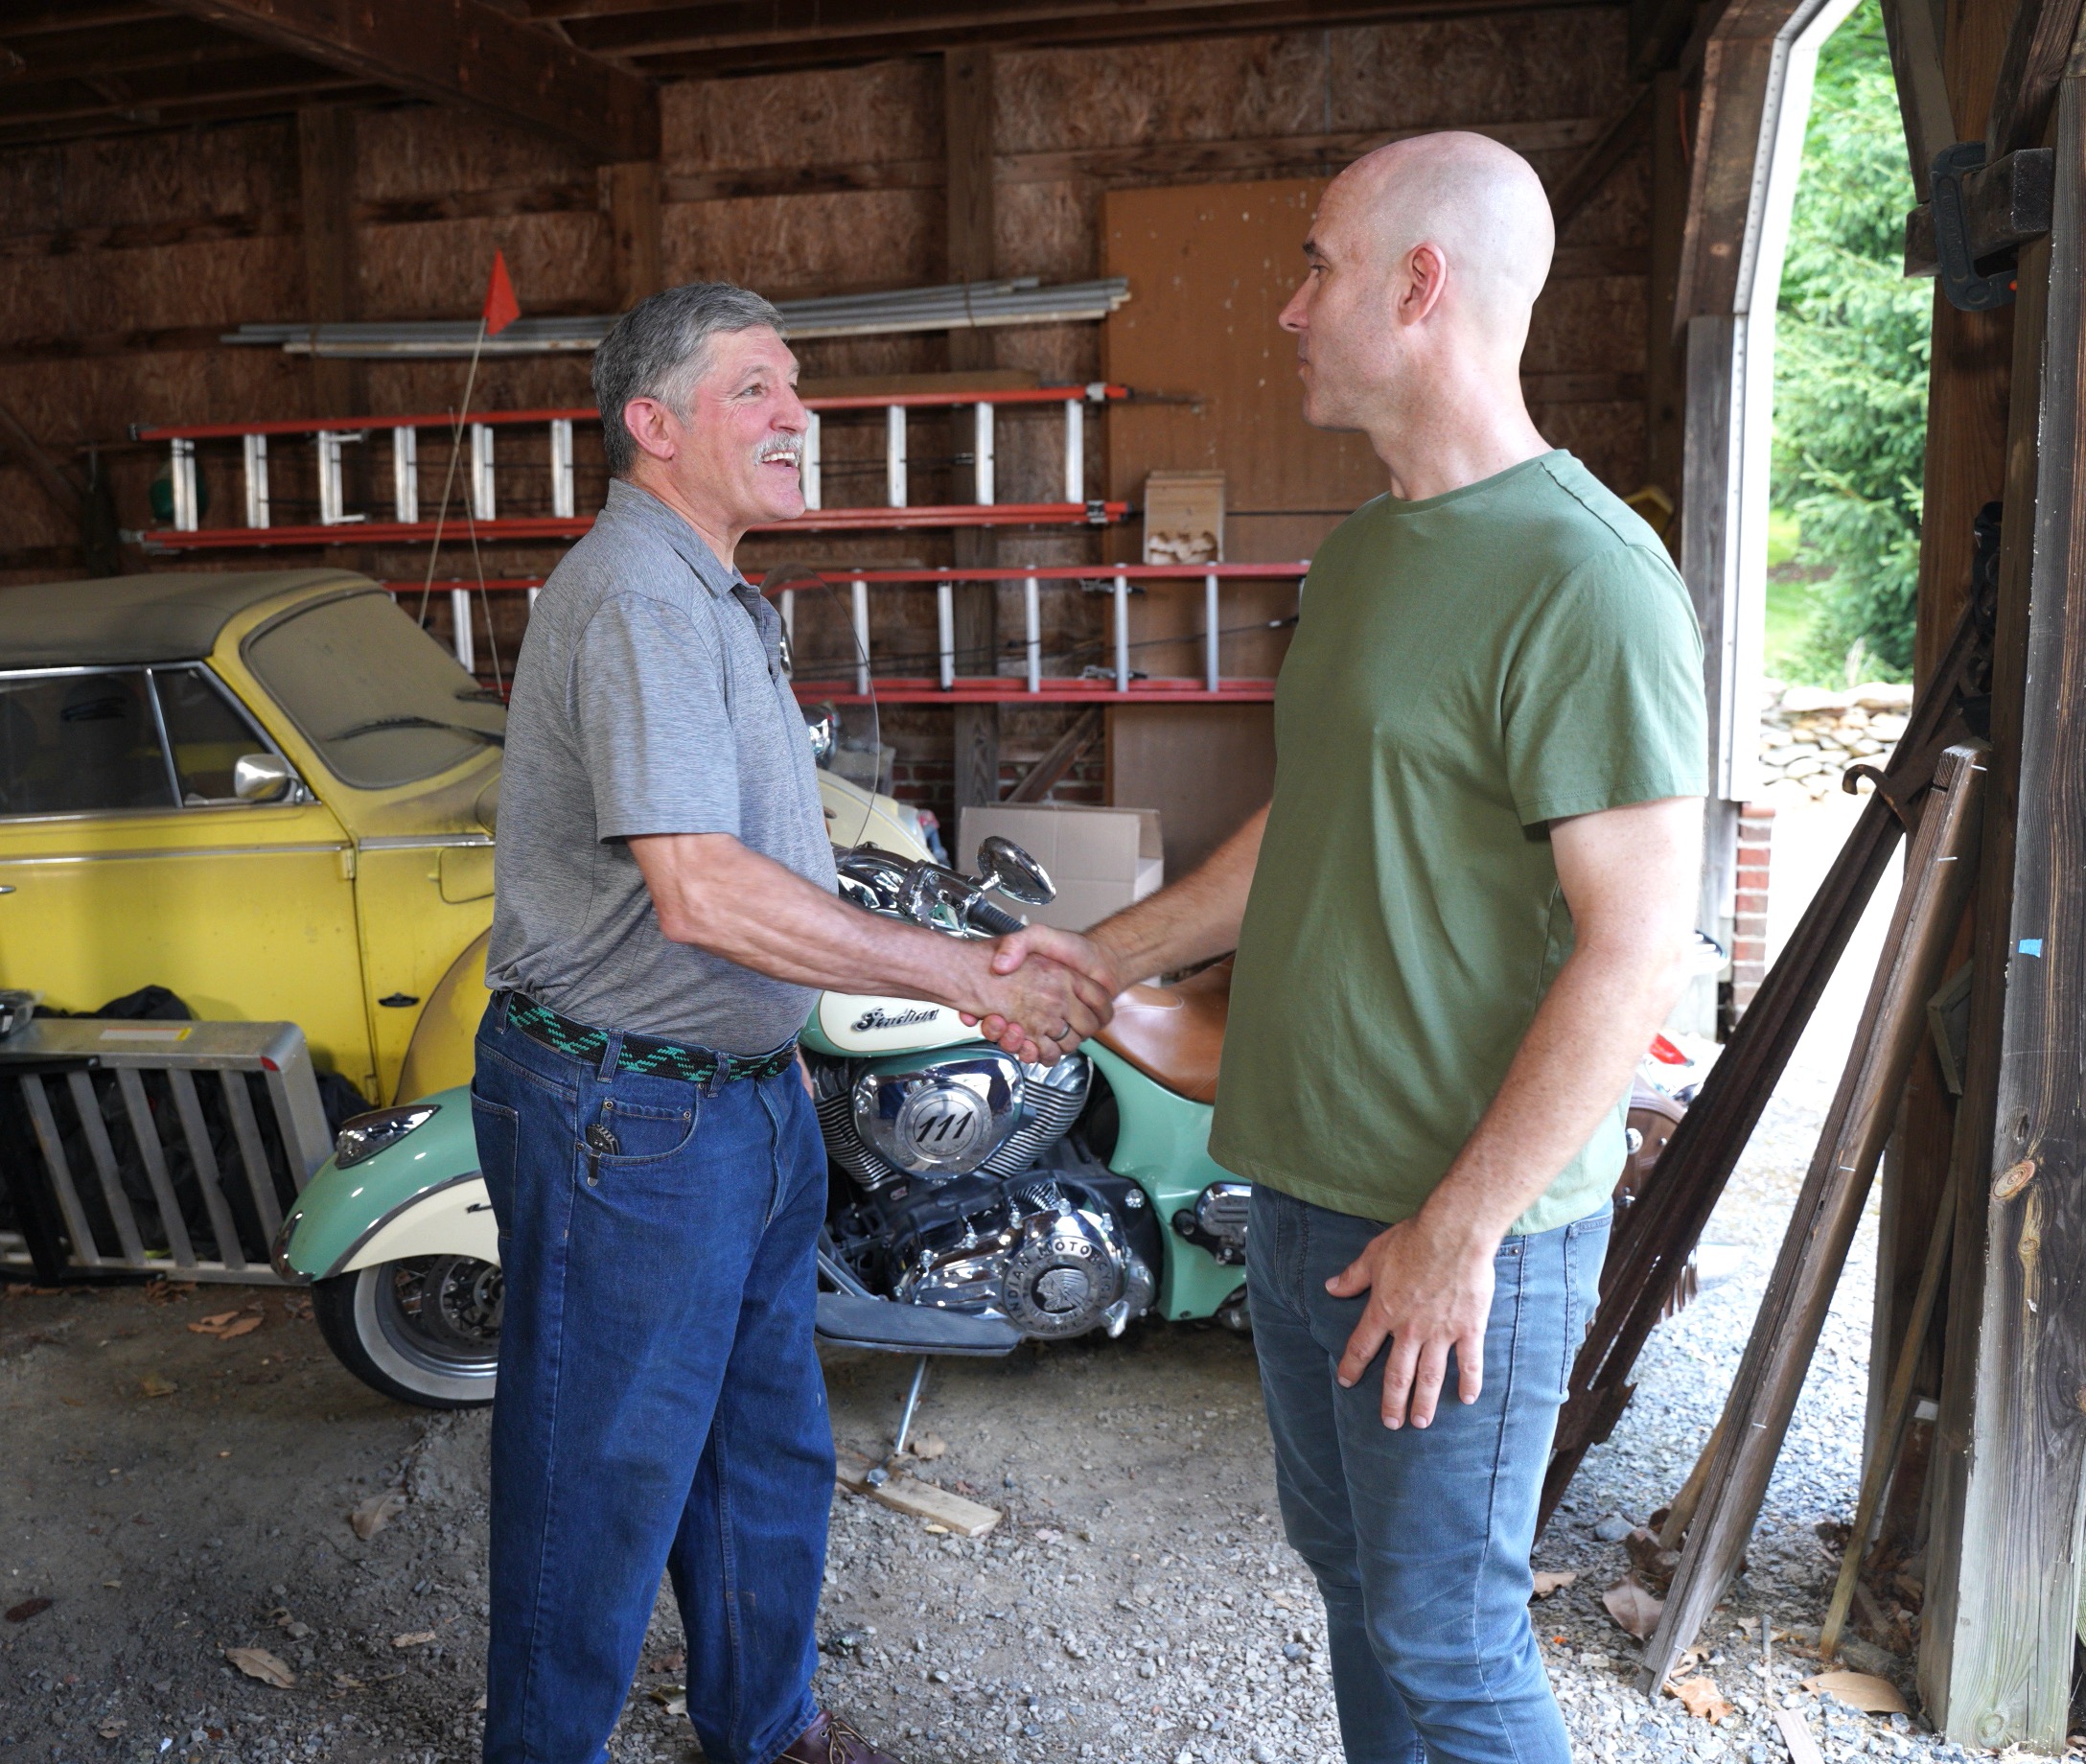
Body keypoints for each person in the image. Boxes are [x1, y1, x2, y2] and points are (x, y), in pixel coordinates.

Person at [985, 132, 1708, 1763]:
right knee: (1359, 1591)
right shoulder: (1371, 550)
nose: (1292, 308)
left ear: (1419, 285)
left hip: (1452, 1224)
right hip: (1306, 1189)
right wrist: (1103, 958)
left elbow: (1636, 949)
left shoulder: (1588, 580)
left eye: (1318, 265)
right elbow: (1312, 827)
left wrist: (1462, 1225)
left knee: (1451, 1647)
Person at [475, 281, 1110, 1764]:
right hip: (631, 1111)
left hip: (738, 1096)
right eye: (756, 388)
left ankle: (765, 1730)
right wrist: (969, 978)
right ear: (652, 424)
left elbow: (754, 841)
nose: (798, 416)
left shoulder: (712, 596)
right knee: (598, 1481)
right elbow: (699, 889)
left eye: (796, 386)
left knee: (762, 1443)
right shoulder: (638, 597)